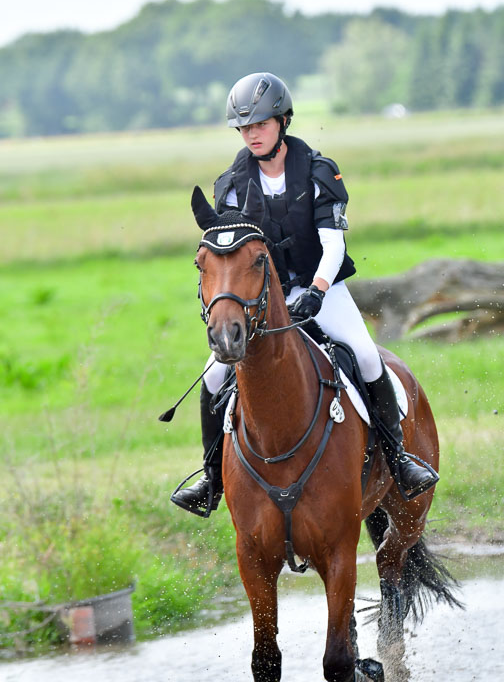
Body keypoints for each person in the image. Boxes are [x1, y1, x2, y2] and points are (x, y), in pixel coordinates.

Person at [171, 72, 438, 517]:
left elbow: (333, 244)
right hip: (263, 297)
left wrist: (315, 290)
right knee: (215, 375)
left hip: (323, 287)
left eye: (260, 124)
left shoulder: (317, 172)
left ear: (283, 121)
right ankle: (211, 478)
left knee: (368, 358)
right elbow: (232, 254)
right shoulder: (233, 183)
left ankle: (399, 460)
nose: (251, 134)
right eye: (244, 127)